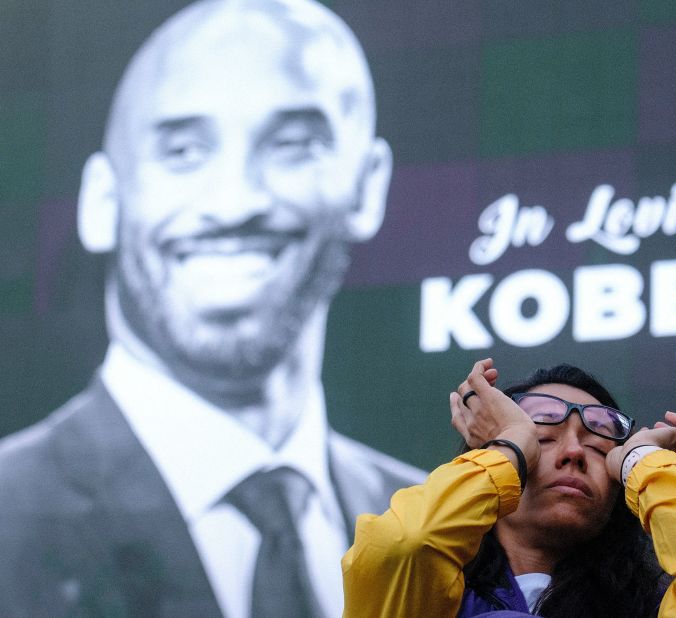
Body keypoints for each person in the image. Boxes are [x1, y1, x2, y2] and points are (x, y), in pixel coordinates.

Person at [0, 1, 424, 616]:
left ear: (368, 185)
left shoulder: (454, 542)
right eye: (182, 152)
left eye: (292, 145)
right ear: (102, 201)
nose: (234, 200)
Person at [343, 359, 676, 617]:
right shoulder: (430, 599)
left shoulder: (658, 611)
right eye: (543, 437)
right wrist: (509, 446)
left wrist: (643, 460)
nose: (575, 451)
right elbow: (402, 545)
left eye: (601, 445)